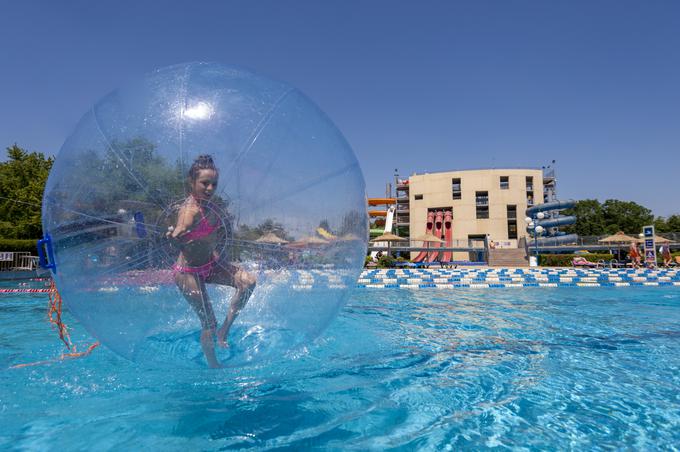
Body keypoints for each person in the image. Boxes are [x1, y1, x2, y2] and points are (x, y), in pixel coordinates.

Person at [167, 155, 256, 368]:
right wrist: (175, 233)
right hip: (188, 272)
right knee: (208, 323)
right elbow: (182, 227)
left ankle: (224, 331)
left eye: (213, 184)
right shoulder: (190, 210)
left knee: (248, 282)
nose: (209, 188)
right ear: (192, 182)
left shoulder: (212, 207)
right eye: (204, 183)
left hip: (211, 264)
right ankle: (214, 365)